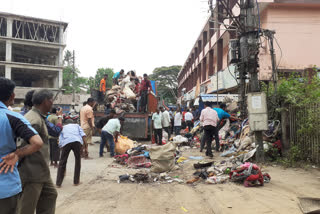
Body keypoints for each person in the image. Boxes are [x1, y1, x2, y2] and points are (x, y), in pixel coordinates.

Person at [0, 78, 43, 214]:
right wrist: (17, 154)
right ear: (12, 95)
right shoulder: (12, 117)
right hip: (5, 186)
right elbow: (37, 142)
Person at [17, 89, 58, 214]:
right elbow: (21, 146)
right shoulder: (33, 120)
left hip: (41, 171)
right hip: (32, 173)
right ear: (46, 101)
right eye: (51, 100)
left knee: (50, 195)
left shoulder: (38, 117)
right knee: (27, 208)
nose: (52, 103)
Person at [56, 119, 87, 188]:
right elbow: (83, 135)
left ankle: (58, 183)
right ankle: (76, 182)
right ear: (73, 122)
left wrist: (61, 147)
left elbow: (60, 138)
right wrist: (85, 147)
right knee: (78, 161)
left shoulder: (63, 127)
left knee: (62, 162)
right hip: (77, 141)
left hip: (66, 142)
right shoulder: (77, 126)